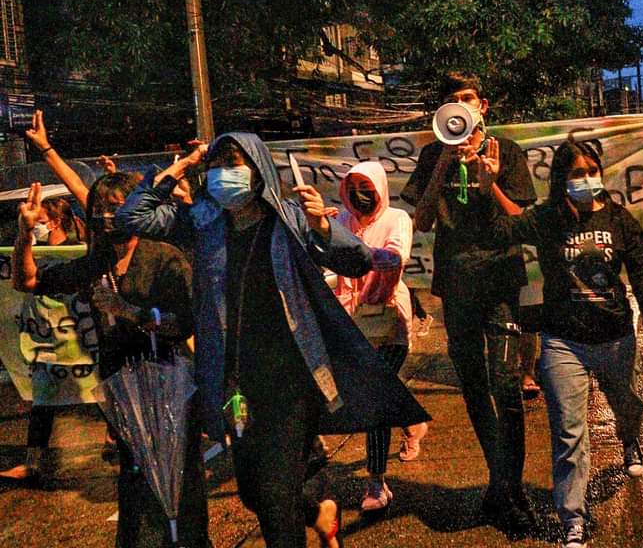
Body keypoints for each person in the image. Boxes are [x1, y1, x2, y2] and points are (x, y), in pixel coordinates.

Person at [116, 133, 429, 548]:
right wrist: (182, 165)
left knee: (276, 494)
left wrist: (321, 225)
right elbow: (131, 218)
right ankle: (317, 509)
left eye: (235, 163)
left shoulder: (290, 219)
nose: (224, 173)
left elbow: (355, 262)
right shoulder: (203, 225)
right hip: (234, 381)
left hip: (290, 379)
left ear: (258, 168)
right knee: (252, 490)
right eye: (217, 165)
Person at [483, 138, 643, 548]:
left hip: (615, 337)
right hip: (563, 341)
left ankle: (629, 439)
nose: (585, 179)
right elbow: (501, 230)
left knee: (627, 404)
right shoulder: (549, 219)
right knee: (568, 431)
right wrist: (487, 186)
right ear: (562, 180)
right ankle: (573, 519)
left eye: (590, 171)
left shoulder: (619, 219)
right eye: (576, 173)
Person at [13, 177, 211, 547]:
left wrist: (131, 312)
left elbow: (184, 322)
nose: (107, 216)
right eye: (100, 209)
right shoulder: (96, 263)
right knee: (135, 481)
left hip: (170, 385)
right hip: (122, 391)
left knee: (181, 481)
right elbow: (27, 281)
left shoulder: (164, 257)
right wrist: (25, 234)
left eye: (116, 207)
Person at [400, 73, 537, 532]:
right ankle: (500, 486)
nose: (459, 106)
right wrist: (443, 160)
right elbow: (419, 221)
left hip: (499, 285)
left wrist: (489, 182)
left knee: (506, 384)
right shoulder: (430, 156)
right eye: (450, 101)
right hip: (455, 287)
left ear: (484, 106)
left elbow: (522, 219)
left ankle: (510, 489)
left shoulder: (508, 153)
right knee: (474, 387)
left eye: (466, 99)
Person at [332, 160, 429, 512]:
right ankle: (411, 418)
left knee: (373, 396)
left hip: (388, 321)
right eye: (353, 187)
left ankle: (376, 482)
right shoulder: (341, 221)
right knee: (381, 390)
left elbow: (394, 257)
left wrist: (354, 253)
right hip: (351, 320)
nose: (359, 195)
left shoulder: (397, 218)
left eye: (366, 188)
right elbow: (328, 262)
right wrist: (323, 230)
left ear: (380, 189)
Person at [0, 196, 86, 484]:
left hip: (77, 339)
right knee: (42, 403)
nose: (36, 226)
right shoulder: (33, 251)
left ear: (56, 221)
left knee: (100, 393)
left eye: (39, 221)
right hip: (44, 341)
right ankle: (32, 463)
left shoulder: (74, 253)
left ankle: (126, 444)